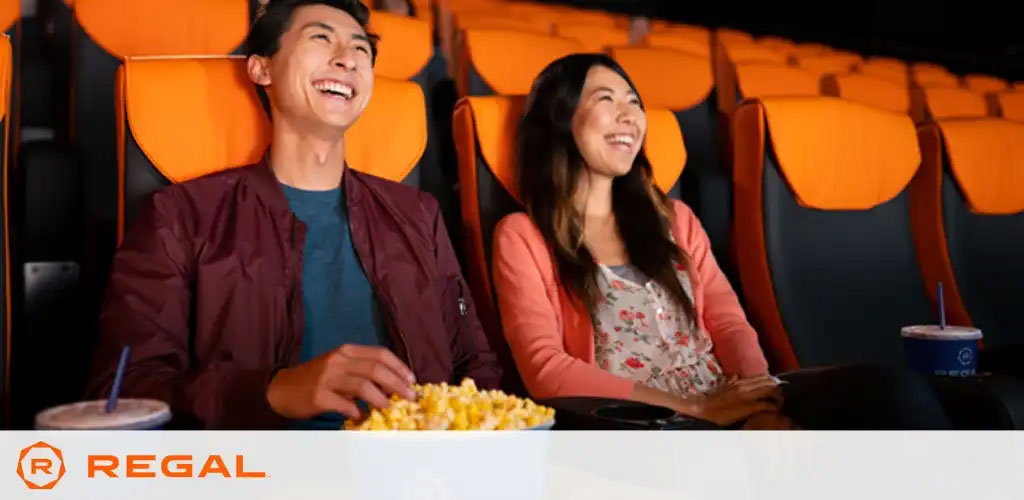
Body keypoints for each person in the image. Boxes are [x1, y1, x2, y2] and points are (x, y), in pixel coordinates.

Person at [87, 0, 500, 430]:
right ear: (261, 69)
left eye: (362, 50)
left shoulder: (418, 215)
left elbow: (476, 366)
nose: (348, 59)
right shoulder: (179, 217)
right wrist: (272, 392)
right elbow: (124, 392)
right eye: (321, 38)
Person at [491, 53, 952, 430]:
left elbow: (728, 324)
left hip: (727, 405)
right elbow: (546, 370)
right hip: (641, 425)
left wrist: (763, 406)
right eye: (607, 99)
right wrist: (694, 410)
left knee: (892, 391)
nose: (630, 115)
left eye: (634, 101)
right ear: (559, 119)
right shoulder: (523, 236)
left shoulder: (674, 219)